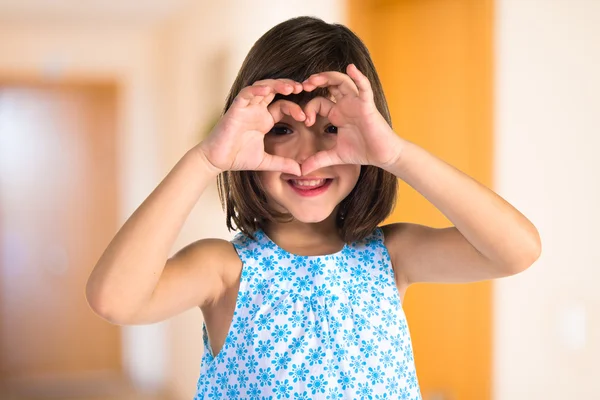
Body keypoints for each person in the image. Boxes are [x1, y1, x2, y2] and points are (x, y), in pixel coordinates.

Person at [86, 16, 541, 400]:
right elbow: (115, 300)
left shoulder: (391, 255)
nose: (307, 156)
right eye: (282, 130)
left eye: (332, 129)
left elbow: (517, 250)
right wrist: (206, 160)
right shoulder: (223, 269)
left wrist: (396, 154)